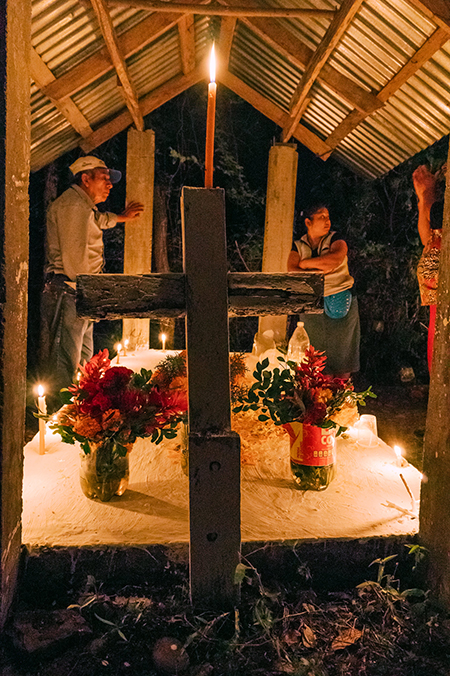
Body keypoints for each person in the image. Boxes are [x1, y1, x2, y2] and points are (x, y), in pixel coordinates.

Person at [40, 155, 144, 407]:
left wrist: (121, 217)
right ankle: (59, 415)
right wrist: (87, 293)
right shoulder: (73, 207)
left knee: (83, 359)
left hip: (81, 292)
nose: (110, 185)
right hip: (73, 291)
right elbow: (74, 255)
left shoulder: (82, 205)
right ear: (85, 179)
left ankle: (80, 410)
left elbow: (97, 220)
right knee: (66, 359)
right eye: (104, 179)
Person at [287, 204, 360, 378]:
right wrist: (319, 269)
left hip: (341, 297)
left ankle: (340, 396)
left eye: (328, 217)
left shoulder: (336, 239)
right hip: (311, 302)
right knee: (314, 355)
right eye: (321, 217)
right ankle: (316, 398)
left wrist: (305, 264)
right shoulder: (298, 245)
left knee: (343, 354)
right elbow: (292, 270)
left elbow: (334, 259)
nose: (327, 221)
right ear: (308, 222)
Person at [413, 163, 445, 371]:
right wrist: (424, 196)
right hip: (438, 297)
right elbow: (428, 238)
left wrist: (427, 193)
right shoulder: (439, 202)